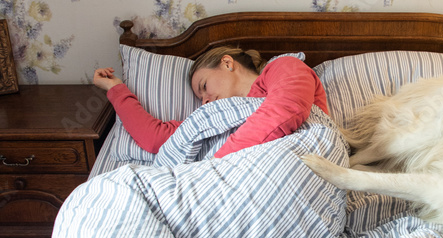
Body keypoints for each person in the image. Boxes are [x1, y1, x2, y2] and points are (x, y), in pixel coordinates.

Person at [93, 45, 329, 158]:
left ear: (227, 63)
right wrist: (115, 89)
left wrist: (217, 166)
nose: (205, 102)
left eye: (204, 87)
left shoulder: (284, 67)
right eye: (201, 99)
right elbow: (156, 139)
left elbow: (287, 108)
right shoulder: (211, 118)